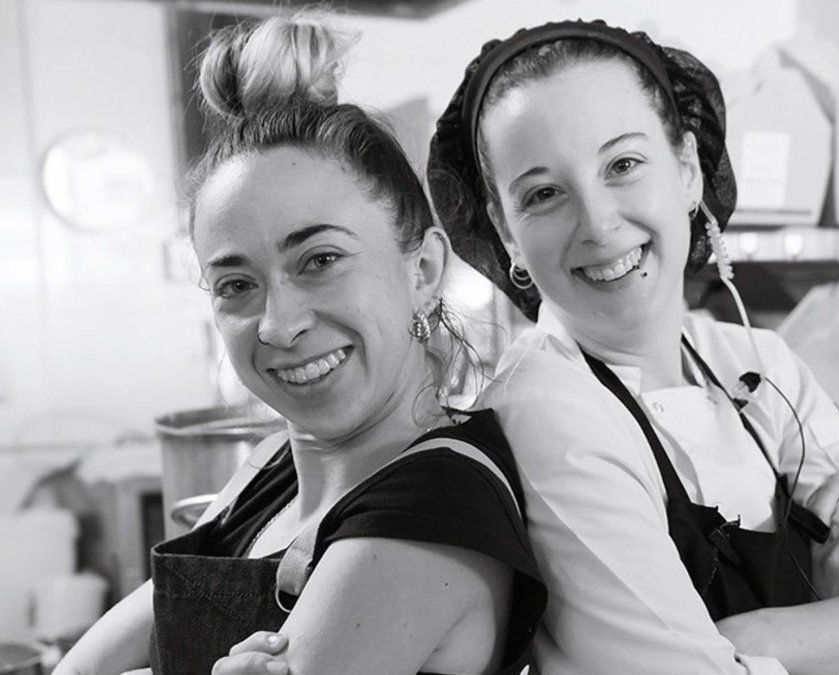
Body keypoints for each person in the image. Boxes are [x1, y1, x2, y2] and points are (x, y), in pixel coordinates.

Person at [423, 20, 839, 675]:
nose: (598, 223)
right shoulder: (542, 407)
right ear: (505, 231)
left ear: (686, 170)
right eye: (544, 194)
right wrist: (838, 614)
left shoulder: (758, 361)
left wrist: (750, 637)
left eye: (623, 165)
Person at [53, 14, 544, 675]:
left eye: (320, 260)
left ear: (424, 270)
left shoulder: (432, 505)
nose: (278, 325)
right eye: (236, 284)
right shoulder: (270, 470)